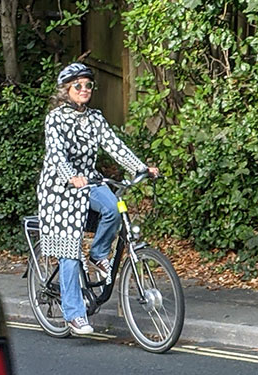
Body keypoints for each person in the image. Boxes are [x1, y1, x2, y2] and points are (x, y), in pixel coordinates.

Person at [37, 62, 159, 334]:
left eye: (88, 85)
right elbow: (56, 155)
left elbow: (114, 145)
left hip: (88, 179)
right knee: (69, 249)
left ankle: (99, 254)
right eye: (78, 85)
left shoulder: (95, 118)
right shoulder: (55, 118)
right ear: (66, 89)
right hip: (59, 187)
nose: (84, 89)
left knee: (114, 208)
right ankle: (74, 314)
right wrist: (70, 176)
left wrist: (140, 168)